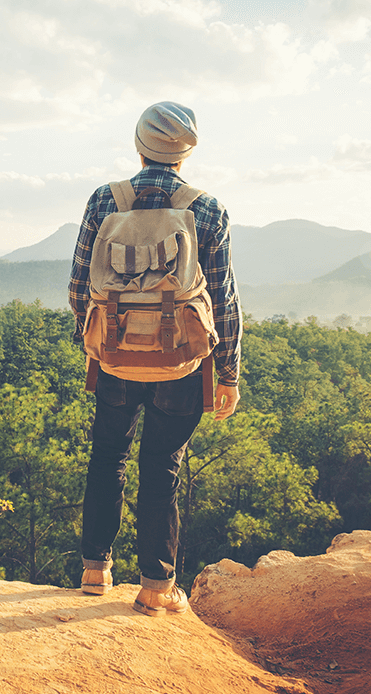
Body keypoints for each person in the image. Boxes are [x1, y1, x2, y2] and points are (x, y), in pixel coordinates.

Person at [68, 101, 242, 616]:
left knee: (107, 458)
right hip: (181, 362)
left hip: (114, 355)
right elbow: (224, 299)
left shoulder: (106, 200)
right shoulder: (207, 209)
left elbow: (78, 285)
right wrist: (228, 373)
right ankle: (156, 587)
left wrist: (94, 342)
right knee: (162, 467)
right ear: (185, 153)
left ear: (139, 145)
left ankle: (95, 570)